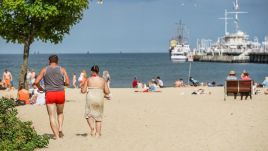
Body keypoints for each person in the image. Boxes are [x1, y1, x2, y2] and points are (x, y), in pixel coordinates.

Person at [34, 54, 70, 139]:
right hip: (60, 93)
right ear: (57, 61)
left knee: (51, 115)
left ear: (49, 61)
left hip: (50, 94)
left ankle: (56, 136)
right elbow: (68, 83)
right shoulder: (62, 69)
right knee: (60, 112)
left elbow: (36, 82)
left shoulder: (44, 69)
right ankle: (60, 129)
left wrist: (41, 88)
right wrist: (62, 83)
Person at [81, 65, 110, 137]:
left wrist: (82, 87)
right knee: (98, 118)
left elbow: (83, 91)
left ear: (91, 71)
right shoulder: (102, 80)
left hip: (90, 98)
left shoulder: (88, 79)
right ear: (98, 72)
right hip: (99, 98)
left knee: (88, 115)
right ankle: (97, 134)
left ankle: (92, 128)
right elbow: (107, 92)